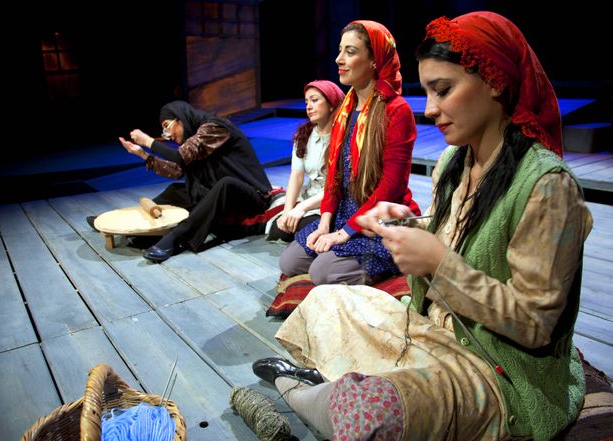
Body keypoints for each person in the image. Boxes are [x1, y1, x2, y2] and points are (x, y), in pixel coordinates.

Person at [252, 11, 593, 441]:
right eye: (427, 92)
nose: (430, 109)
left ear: (494, 81)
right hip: (434, 328)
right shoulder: (453, 162)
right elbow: (455, 232)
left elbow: (535, 324)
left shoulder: (547, 187)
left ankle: (303, 391)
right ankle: (342, 391)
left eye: (443, 91)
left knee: (369, 413)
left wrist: (438, 262)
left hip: (496, 368)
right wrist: (406, 226)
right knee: (323, 300)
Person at [278, 20, 420, 286]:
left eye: (350, 52)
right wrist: (325, 222)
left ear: (374, 60)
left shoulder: (396, 110)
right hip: (344, 211)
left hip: (377, 217)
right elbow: (334, 175)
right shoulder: (345, 109)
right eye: (340, 50)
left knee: (322, 272)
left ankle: (393, 259)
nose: (339, 59)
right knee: (290, 262)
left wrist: (343, 234)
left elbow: (392, 186)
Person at [95, 100, 273, 262]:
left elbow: (179, 157)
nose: (168, 135)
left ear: (180, 118)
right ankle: (130, 224)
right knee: (175, 191)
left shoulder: (215, 127)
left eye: (167, 127)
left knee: (226, 184)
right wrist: (143, 155)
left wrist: (149, 141)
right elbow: (177, 170)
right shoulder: (193, 139)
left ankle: (175, 239)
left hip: (251, 197)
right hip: (223, 195)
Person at [265, 80, 345, 243]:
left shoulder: (344, 138)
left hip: (333, 201)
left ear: (331, 105)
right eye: (307, 102)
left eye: (314, 100)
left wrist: (302, 208)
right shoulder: (303, 135)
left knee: (304, 228)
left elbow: (337, 187)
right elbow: (297, 175)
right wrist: (288, 211)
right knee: (279, 229)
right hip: (310, 196)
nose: (309, 106)